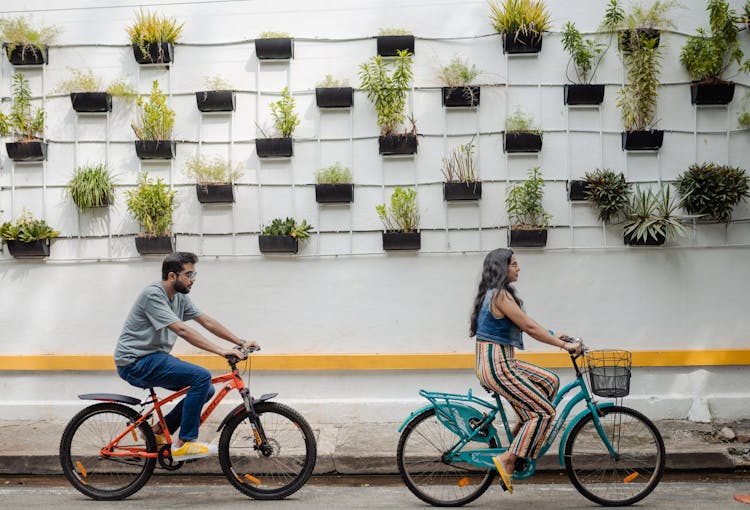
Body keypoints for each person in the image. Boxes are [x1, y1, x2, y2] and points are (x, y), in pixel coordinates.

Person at [114, 252, 258, 460]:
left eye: (194, 274)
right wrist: (220, 350)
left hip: (153, 358)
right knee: (201, 377)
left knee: (205, 389)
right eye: (189, 274)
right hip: (134, 362)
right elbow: (181, 330)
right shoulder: (153, 295)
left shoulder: (180, 298)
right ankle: (184, 444)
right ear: (172, 276)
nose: (193, 279)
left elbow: (207, 322)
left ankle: (156, 433)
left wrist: (240, 342)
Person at [470, 248, 581, 494]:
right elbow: (528, 326)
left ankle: (520, 436)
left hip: (501, 362)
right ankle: (508, 459)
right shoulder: (499, 295)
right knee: (544, 413)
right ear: (502, 268)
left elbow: (526, 323)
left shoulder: (498, 294)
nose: (518, 268)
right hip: (498, 366)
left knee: (550, 380)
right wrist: (565, 346)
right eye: (514, 264)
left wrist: (553, 335)